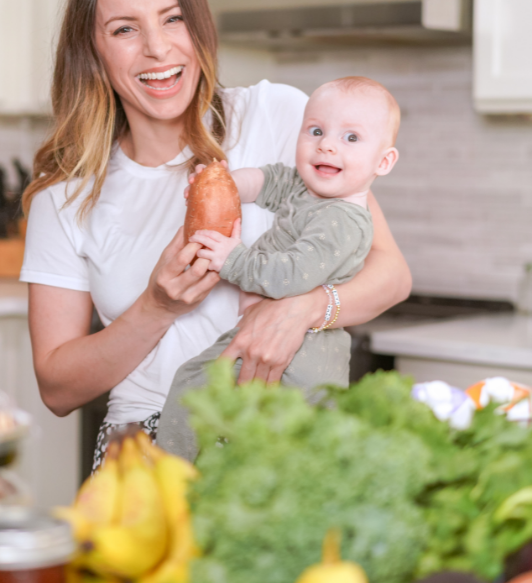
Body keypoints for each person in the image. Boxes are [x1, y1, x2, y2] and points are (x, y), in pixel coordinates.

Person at [19, 0, 411, 469]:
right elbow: (58, 387)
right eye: (125, 29)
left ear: (198, 27)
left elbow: (391, 274)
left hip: (276, 432)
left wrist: (301, 310)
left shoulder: (278, 118)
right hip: (145, 446)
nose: (157, 49)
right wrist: (156, 307)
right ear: (93, 52)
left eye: (173, 19)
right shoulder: (65, 196)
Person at [156, 76, 401, 460]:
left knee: (197, 386)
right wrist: (224, 184)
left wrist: (230, 258)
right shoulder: (306, 190)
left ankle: (172, 475)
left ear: (383, 161)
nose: (327, 144)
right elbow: (266, 180)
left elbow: (288, 277)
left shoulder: (342, 219)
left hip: (301, 358)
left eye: (351, 138)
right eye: (316, 131)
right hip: (275, 339)